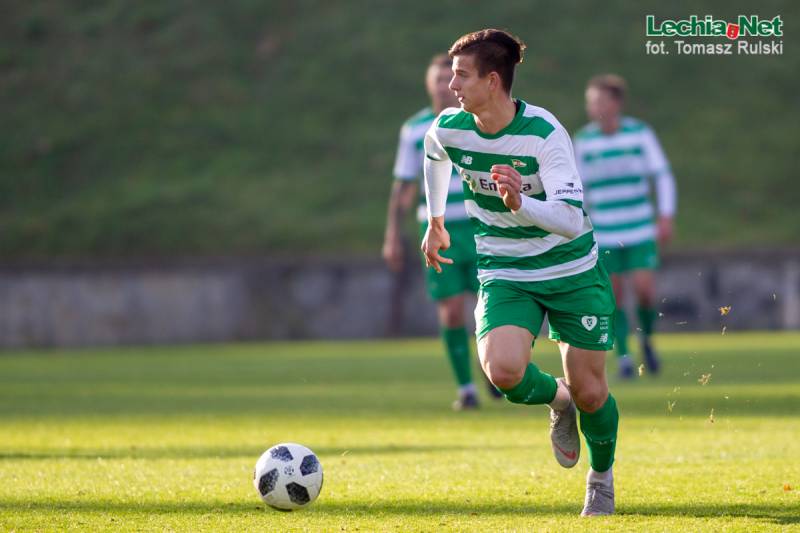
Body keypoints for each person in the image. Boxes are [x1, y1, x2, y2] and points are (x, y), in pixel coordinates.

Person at [422, 29, 619, 516]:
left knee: (594, 391)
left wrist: (520, 202)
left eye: (461, 76)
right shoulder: (451, 127)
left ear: (493, 81)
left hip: (571, 269)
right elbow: (434, 152)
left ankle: (601, 479)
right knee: (503, 372)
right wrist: (436, 220)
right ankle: (559, 400)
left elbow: (571, 219)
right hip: (506, 271)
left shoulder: (545, 134)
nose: (452, 86)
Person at [383, 54, 502, 410]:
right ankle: (466, 389)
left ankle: (493, 369)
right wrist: (392, 234)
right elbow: (403, 185)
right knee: (451, 311)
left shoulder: (478, 119)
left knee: (489, 307)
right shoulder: (414, 129)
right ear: (428, 85)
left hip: (480, 225)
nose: (442, 85)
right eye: (435, 79)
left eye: (446, 78)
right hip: (438, 227)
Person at [573, 75, 677, 378]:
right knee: (614, 296)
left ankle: (646, 340)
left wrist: (666, 216)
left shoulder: (639, 134)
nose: (595, 107)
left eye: (600, 101)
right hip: (605, 231)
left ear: (616, 103)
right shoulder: (584, 141)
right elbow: (577, 190)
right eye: (591, 102)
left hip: (640, 227)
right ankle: (625, 357)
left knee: (645, 291)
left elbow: (662, 174)